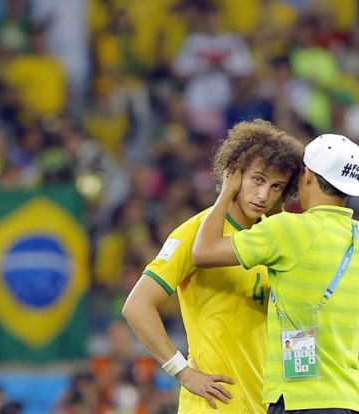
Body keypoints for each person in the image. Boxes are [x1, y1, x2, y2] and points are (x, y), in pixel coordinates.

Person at [121, 119, 304, 413]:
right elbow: (136, 306)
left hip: (265, 405)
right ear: (234, 173)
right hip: (212, 406)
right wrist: (182, 372)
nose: (263, 196)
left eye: (276, 187)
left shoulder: (275, 239)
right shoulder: (194, 234)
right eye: (257, 180)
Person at [192, 133, 359, 413]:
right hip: (351, 399)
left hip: (300, 401)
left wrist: (226, 193)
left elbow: (203, 252)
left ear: (306, 175)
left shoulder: (289, 230)